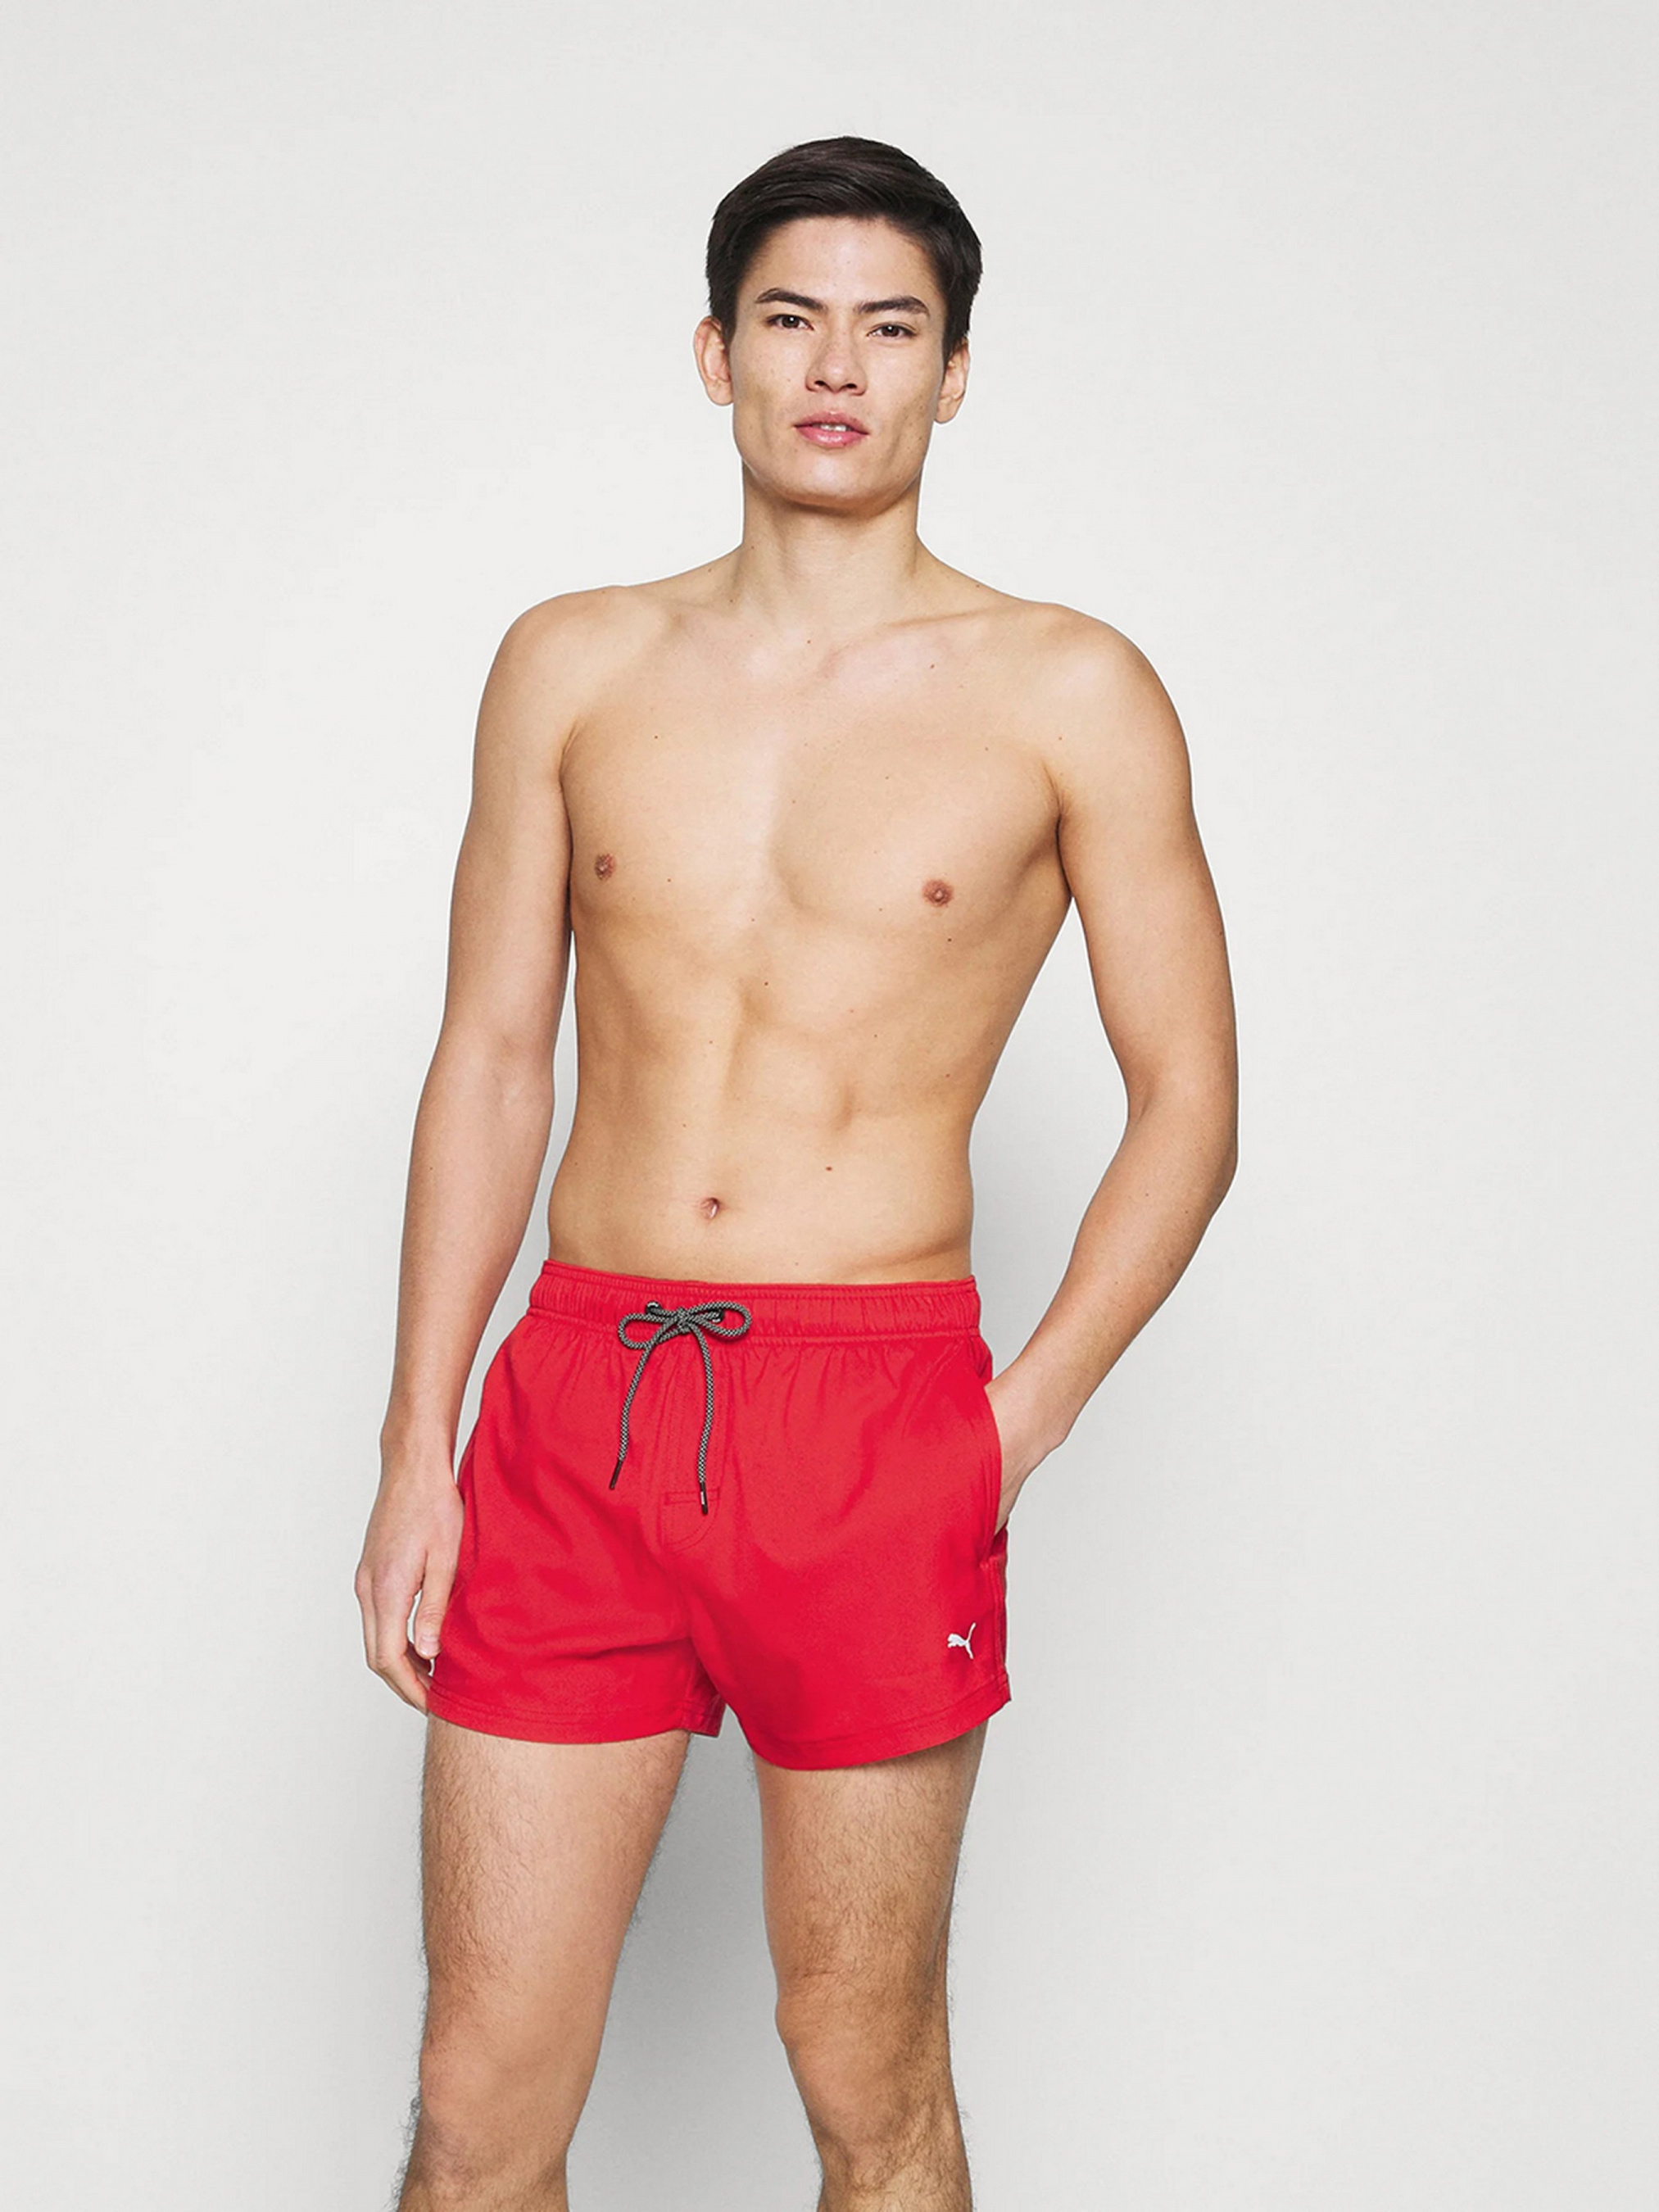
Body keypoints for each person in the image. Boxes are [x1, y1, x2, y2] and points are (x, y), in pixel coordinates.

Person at [355, 133, 1238, 2212]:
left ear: (953, 373)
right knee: (477, 2101)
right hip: (574, 1410)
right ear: (714, 354)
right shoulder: (570, 663)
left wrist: (1002, 1431)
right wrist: (416, 1448)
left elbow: (1187, 1103)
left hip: (870, 1413)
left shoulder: (1068, 689)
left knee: (864, 2075)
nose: (836, 367)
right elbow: (491, 1061)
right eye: (790, 319)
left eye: (890, 327)